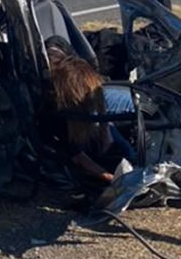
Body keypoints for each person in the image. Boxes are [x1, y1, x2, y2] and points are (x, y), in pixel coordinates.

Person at [45, 39, 135, 185]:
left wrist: (105, 135)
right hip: (73, 101)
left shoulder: (68, 54)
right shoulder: (54, 113)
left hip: (95, 92)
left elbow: (100, 106)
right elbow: (78, 156)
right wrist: (111, 179)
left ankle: (134, 159)